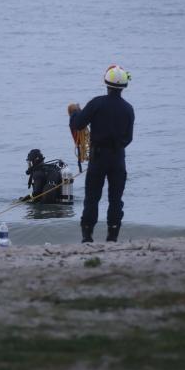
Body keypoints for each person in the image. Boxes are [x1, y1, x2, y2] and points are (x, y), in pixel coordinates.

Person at [68, 65, 135, 243]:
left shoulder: (96, 103)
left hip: (98, 158)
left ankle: (87, 236)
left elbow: (78, 124)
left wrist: (75, 112)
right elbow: (128, 138)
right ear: (124, 86)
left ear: (106, 83)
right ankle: (112, 237)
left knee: (92, 198)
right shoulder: (128, 109)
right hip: (118, 159)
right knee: (115, 199)